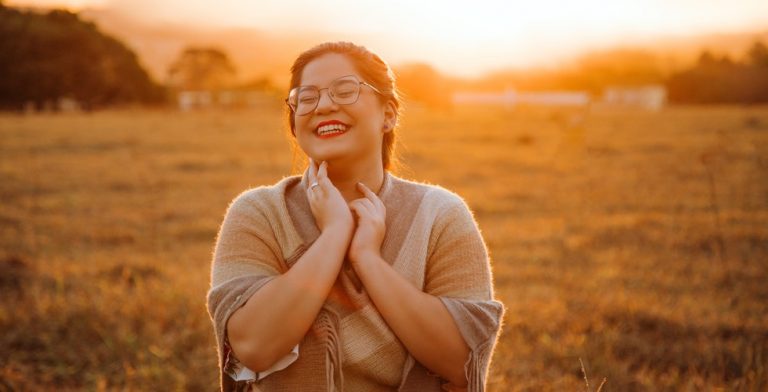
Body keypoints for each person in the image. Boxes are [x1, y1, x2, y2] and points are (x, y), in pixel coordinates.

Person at [207, 41, 504, 392]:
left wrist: (367, 258)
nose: (324, 105)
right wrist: (334, 234)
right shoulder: (259, 212)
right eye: (306, 97)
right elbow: (254, 346)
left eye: (345, 90)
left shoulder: (440, 215)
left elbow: (461, 361)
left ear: (389, 114)